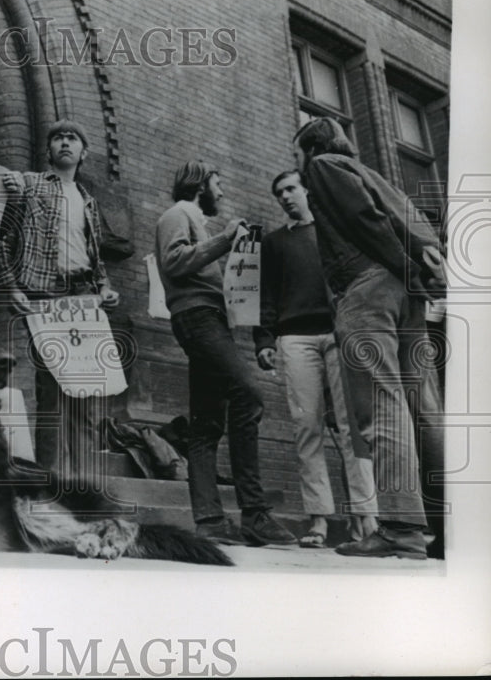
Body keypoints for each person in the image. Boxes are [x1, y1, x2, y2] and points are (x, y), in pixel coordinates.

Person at [294, 117, 446, 559]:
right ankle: (448, 529)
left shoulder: (323, 165)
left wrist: (399, 264)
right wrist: (416, 270)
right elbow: (412, 224)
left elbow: (365, 218)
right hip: (408, 295)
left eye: (297, 155)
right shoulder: (372, 172)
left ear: (310, 148)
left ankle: (400, 528)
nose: (300, 166)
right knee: (426, 408)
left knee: (382, 404)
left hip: (367, 287)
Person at [155, 161, 296, 546]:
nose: (222, 192)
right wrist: (225, 238)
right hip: (199, 319)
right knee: (248, 396)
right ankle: (254, 513)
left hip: (210, 319)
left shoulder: (191, 218)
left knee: (206, 424)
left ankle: (211, 521)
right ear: (200, 184)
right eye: (218, 184)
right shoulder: (177, 213)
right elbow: (174, 261)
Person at [253, 170, 378, 548]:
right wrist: (263, 339)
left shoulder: (333, 233)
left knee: (352, 428)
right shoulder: (274, 243)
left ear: (307, 190)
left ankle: (365, 519)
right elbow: (265, 294)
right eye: (279, 193)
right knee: (306, 426)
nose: (286, 197)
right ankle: (319, 521)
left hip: (340, 336)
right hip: (295, 338)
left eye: (291, 189)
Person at [0, 120, 120, 485]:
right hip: (45, 298)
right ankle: (49, 489)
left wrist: (105, 288)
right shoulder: (29, 184)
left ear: (83, 151)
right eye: (58, 138)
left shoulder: (89, 201)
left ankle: (84, 489)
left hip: (84, 299)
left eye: (73, 138)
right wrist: (12, 287)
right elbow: (4, 242)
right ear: (49, 150)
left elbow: (96, 261)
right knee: (51, 395)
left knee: (84, 399)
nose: (65, 143)